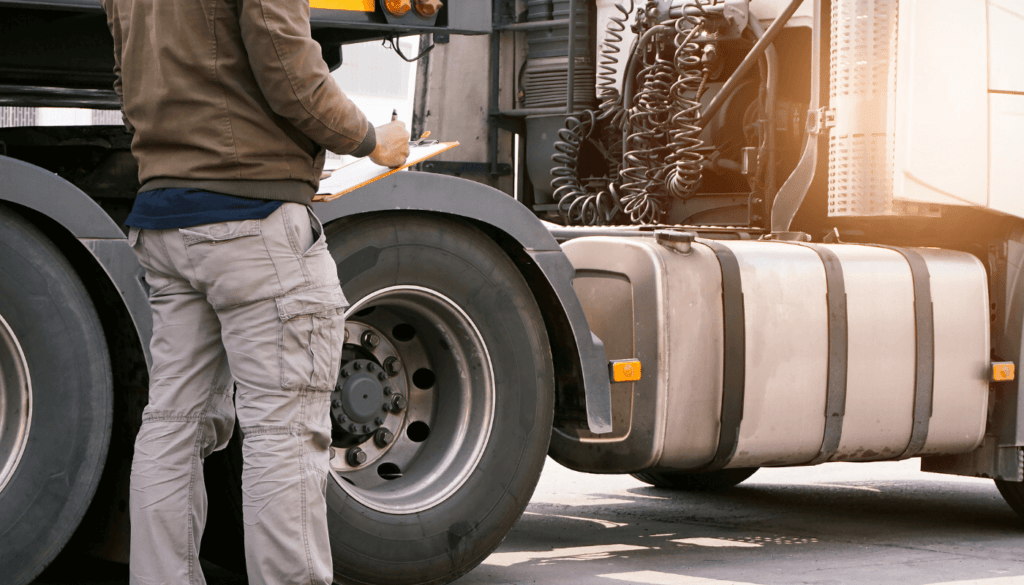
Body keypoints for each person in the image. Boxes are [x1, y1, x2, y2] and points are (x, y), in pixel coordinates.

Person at [99, 0, 410, 582]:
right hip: (253, 218)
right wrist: (371, 139)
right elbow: (289, 70)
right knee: (285, 431)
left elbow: (126, 79)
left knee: (173, 423)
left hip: (165, 217)